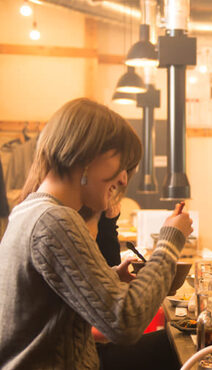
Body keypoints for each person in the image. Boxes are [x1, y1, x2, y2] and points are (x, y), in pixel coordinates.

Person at [0, 98, 193, 369]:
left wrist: (108, 279)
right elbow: (125, 322)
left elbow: (48, 300)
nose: (124, 179)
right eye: (120, 164)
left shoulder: (29, 210)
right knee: (185, 349)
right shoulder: (55, 219)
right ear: (87, 154)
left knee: (175, 344)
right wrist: (169, 241)